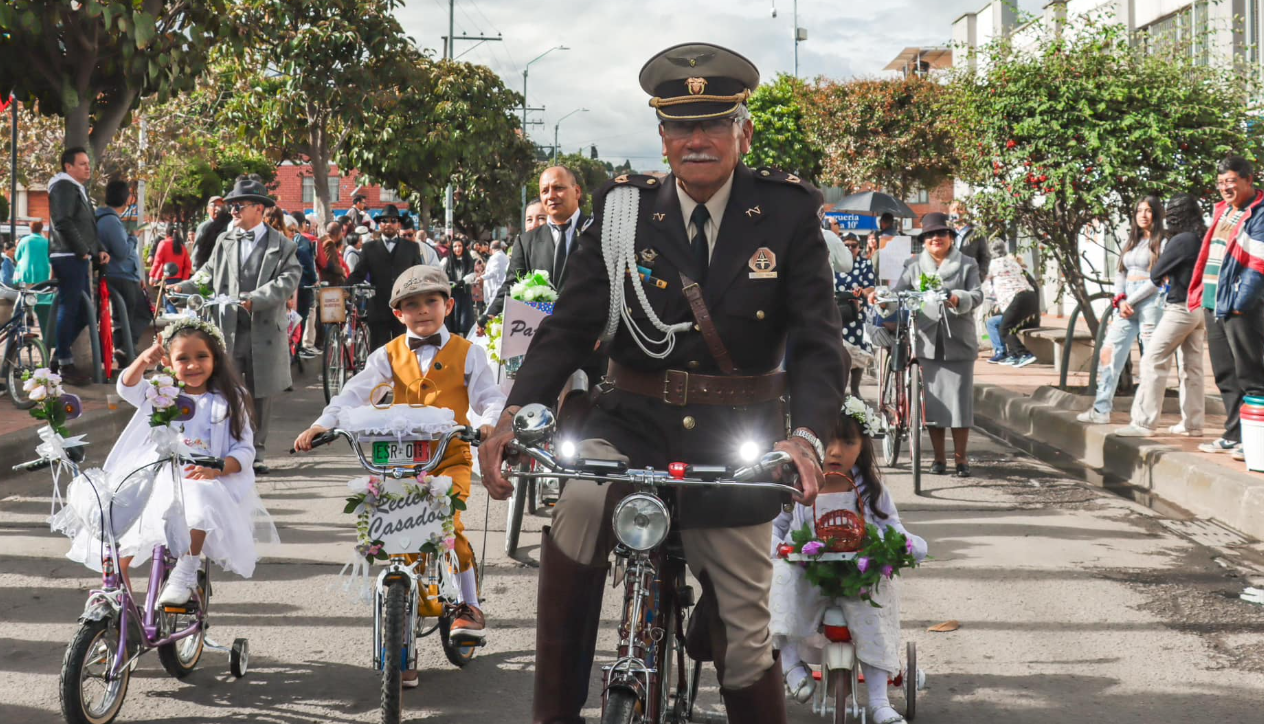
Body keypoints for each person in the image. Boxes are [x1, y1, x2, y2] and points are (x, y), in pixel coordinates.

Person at [477, 43, 845, 723]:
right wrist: (513, 414)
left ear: (744, 131)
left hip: (739, 436)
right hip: (629, 421)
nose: (697, 140)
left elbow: (821, 346)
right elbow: (568, 327)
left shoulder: (788, 215)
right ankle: (553, 711)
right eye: (681, 126)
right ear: (663, 136)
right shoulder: (623, 212)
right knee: (579, 510)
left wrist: (806, 437)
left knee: (743, 631)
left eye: (714, 122)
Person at [294, 265, 504, 685]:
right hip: (399, 460)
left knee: (449, 522)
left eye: (431, 301)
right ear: (398, 313)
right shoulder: (387, 354)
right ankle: (399, 642)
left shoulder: (469, 352)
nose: (422, 311)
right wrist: (324, 423)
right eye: (411, 305)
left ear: (449, 305)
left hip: (449, 456)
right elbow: (354, 390)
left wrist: (488, 422)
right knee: (399, 538)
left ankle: (467, 602)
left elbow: (489, 396)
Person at [61, 319, 278, 603]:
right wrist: (143, 360)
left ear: (216, 358)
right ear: (169, 362)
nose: (193, 365)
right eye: (182, 358)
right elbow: (127, 387)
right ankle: (120, 606)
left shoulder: (229, 398)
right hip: (154, 473)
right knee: (120, 527)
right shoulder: (162, 391)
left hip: (199, 474)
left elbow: (244, 449)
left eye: (202, 356)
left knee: (200, 499)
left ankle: (186, 571)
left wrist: (219, 467)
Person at [769, 398, 928, 723]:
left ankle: (880, 701)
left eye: (848, 442)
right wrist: (773, 547)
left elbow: (893, 528)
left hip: (858, 575)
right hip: (806, 572)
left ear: (864, 447)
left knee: (873, 614)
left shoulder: (872, 491)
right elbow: (776, 526)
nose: (836, 452)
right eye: (828, 442)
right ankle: (789, 664)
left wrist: (903, 545)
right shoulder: (797, 486)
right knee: (778, 582)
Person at [173, 174, 301, 475]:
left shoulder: (282, 245)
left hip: (265, 329)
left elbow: (289, 280)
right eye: (231, 206)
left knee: (260, 393)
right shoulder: (224, 240)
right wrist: (185, 287)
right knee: (225, 388)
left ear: (259, 208)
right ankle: (224, 448)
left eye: (239, 205)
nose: (232, 211)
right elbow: (208, 273)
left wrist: (257, 298)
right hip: (226, 329)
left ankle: (256, 453)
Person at [875, 212, 983, 477]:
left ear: (951, 238)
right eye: (930, 235)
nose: (936, 238)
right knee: (932, 405)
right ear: (923, 240)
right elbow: (897, 294)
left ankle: (961, 459)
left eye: (942, 234)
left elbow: (977, 295)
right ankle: (938, 459)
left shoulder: (968, 264)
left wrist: (956, 298)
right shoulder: (913, 266)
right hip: (926, 341)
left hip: (959, 341)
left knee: (960, 405)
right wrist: (880, 299)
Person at [1189, 156, 1264, 457]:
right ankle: (1235, 434)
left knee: (1250, 374)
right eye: (1220, 183)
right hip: (1214, 303)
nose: (1225, 188)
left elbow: (1258, 264)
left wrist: (1239, 304)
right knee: (1225, 374)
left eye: (1230, 181)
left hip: (1238, 306)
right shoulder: (1223, 211)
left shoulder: (1258, 213)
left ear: (1248, 179)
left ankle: (1256, 439)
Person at [1116, 193, 1208, 438]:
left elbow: (1156, 273)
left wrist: (1165, 272)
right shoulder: (1201, 238)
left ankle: (1143, 423)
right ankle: (1193, 425)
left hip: (1180, 308)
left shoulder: (1181, 241)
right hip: (1199, 309)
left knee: (1152, 360)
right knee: (1192, 368)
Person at [1078, 196, 1166, 424]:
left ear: (1156, 214)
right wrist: (1120, 300)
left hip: (1150, 304)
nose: (1143, 215)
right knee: (1109, 354)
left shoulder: (1162, 243)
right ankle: (1101, 409)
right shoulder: (1132, 242)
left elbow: (1157, 279)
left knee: (1149, 360)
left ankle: (1144, 416)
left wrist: (1131, 300)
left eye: (1148, 211)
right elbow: (1121, 273)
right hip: (1126, 306)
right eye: (1139, 211)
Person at [481, 166, 589, 326]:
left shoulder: (599, 233)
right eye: (545, 191)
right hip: (541, 336)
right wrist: (490, 315)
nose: (551, 195)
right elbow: (512, 285)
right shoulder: (526, 242)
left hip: (589, 337)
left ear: (577, 191)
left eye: (558, 188)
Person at [49, 147, 109, 385]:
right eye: (82, 163)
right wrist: (83, 249)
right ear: (68, 166)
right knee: (70, 305)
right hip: (68, 255)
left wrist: (99, 249)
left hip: (78, 255)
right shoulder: (63, 186)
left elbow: (87, 226)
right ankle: (64, 363)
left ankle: (58, 357)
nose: (87, 167)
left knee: (86, 312)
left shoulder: (78, 189)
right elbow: (62, 221)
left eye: (88, 163)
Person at [349, 204, 429, 352]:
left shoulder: (411, 247)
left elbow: (418, 274)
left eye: (393, 220)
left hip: (405, 307)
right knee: (379, 353)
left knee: (406, 350)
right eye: (385, 221)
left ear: (398, 224)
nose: (388, 224)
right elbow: (358, 273)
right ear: (380, 224)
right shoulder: (369, 248)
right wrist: (344, 288)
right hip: (378, 307)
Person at [96, 179, 150, 358]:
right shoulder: (111, 221)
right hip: (121, 275)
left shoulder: (106, 218)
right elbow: (123, 251)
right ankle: (125, 349)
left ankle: (124, 349)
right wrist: (133, 237)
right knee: (132, 315)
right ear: (126, 199)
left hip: (124, 274)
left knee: (126, 316)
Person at [985, 237, 1039, 367]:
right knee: (999, 323)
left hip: (1017, 298)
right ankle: (1014, 355)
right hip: (1030, 297)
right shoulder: (1013, 262)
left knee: (1005, 328)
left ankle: (1024, 354)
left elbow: (984, 282)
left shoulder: (991, 265)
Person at [836, 232, 875, 398]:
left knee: (858, 351)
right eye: (846, 245)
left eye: (853, 245)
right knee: (839, 350)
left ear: (859, 247)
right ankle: (840, 389)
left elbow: (871, 286)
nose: (850, 248)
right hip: (836, 312)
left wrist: (862, 292)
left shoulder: (865, 264)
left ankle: (855, 390)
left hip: (857, 314)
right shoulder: (834, 262)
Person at [16, 220, 54, 335]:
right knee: (41, 298)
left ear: (30, 228)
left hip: (26, 273)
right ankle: (40, 321)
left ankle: (26, 317)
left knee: (24, 296)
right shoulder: (47, 242)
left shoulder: (24, 241)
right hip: (43, 272)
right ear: (41, 228)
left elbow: (17, 257)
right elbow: (51, 258)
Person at [291, 212, 319, 359]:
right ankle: (298, 346)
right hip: (303, 285)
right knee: (301, 316)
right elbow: (307, 262)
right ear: (302, 224)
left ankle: (296, 346)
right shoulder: (301, 241)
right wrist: (314, 279)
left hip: (293, 285)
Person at [443, 237, 477, 335]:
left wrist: (463, 281)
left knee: (465, 319)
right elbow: (442, 273)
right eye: (455, 246)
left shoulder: (468, 259)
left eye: (459, 246)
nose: (457, 249)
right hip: (452, 293)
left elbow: (472, 274)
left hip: (464, 293)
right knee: (452, 319)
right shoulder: (447, 261)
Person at [949, 201, 991, 278]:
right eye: (953, 210)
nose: (956, 212)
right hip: (950, 277)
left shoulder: (976, 231)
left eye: (960, 209)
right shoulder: (946, 231)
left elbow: (985, 256)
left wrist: (980, 276)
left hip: (970, 276)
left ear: (966, 212)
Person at [193, 196, 230, 268]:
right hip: (205, 266)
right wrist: (195, 267)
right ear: (207, 209)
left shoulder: (227, 226)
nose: (217, 208)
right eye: (214, 205)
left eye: (220, 206)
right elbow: (197, 248)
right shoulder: (203, 227)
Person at [481, 240, 509, 313]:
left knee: (490, 313)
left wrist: (482, 277)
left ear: (491, 249)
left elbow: (494, 272)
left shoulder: (495, 257)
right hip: (500, 288)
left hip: (494, 289)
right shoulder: (504, 256)